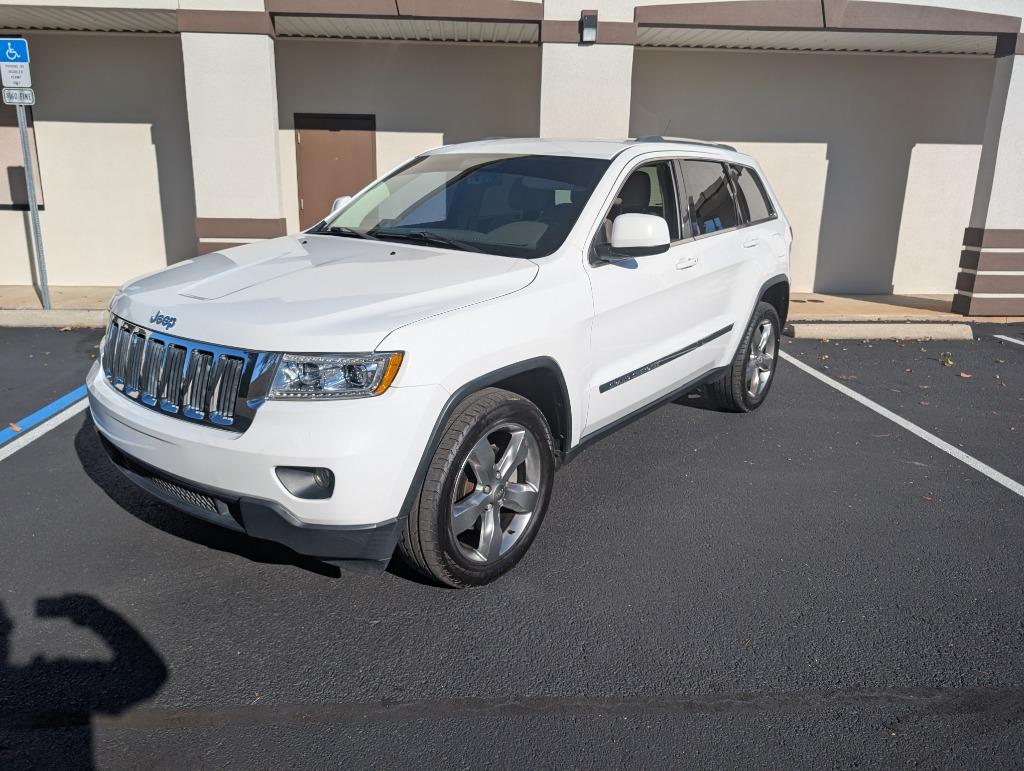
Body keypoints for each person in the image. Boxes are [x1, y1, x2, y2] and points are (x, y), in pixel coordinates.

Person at [0, 594, 167, 769]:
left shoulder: (39, 682)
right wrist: (93, 613)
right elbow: (146, 674)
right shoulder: (44, 683)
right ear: (8, 629)